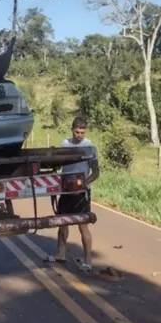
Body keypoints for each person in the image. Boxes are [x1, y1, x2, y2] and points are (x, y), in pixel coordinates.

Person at [47, 116, 121, 280]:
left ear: (85, 132)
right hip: (66, 191)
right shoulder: (65, 145)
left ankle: (88, 260)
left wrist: (84, 183)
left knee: (83, 227)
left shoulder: (90, 147)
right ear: (72, 130)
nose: (79, 135)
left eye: (82, 132)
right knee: (62, 223)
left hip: (82, 193)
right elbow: (59, 165)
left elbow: (96, 172)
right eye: (77, 131)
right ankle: (60, 254)